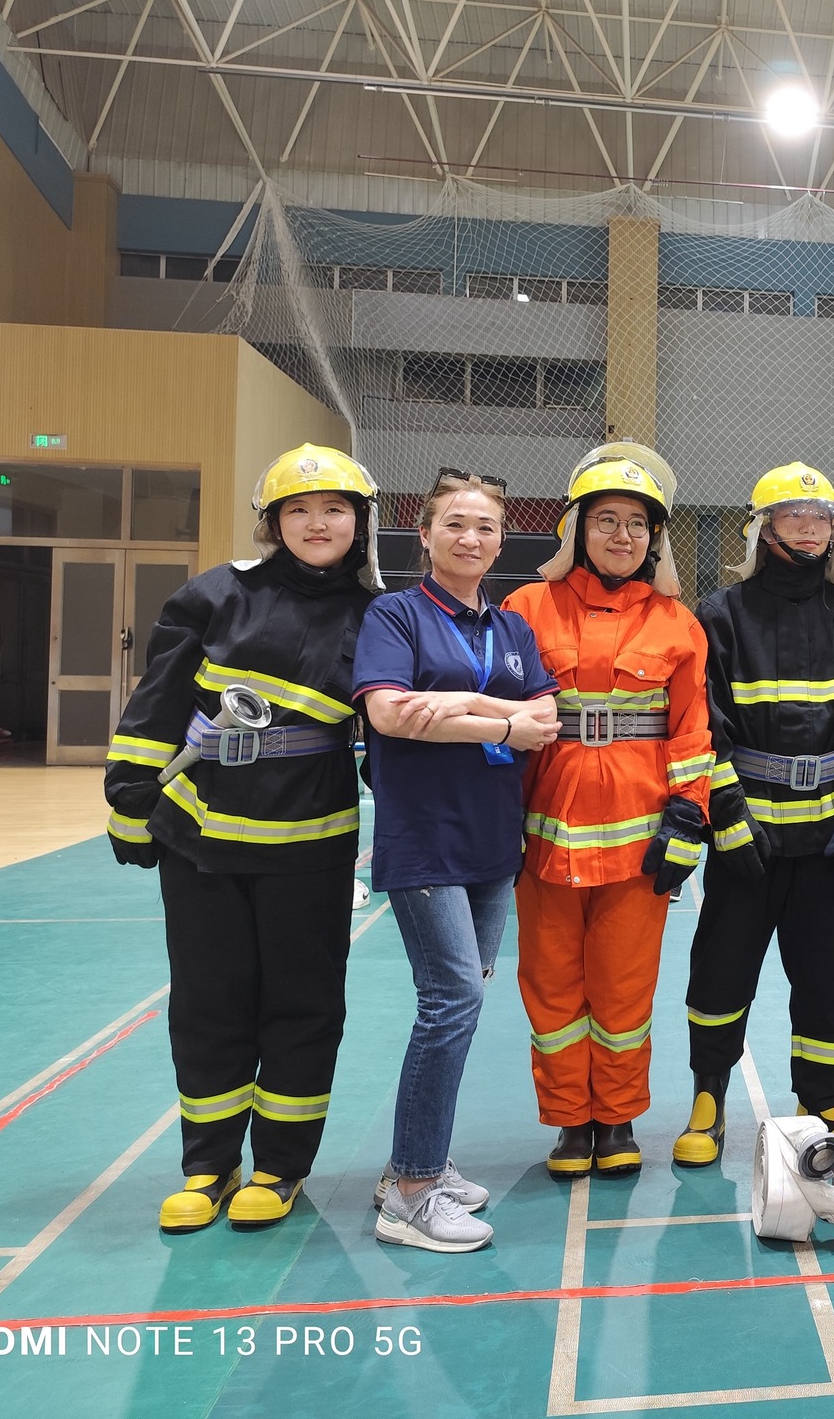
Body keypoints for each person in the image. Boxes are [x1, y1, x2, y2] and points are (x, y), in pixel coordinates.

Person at [105, 444, 380, 1234]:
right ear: (274, 522)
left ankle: (279, 1167)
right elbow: (158, 703)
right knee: (207, 1002)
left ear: (360, 523)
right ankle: (208, 1164)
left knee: (303, 1004)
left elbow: (387, 733)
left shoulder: (380, 617)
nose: (317, 523)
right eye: (299, 510)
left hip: (311, 842)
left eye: (334, 509)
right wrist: (129, 799)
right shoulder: (214, 595)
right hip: (200, 837)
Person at [354, 471, 561, 1252]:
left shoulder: (511, 629)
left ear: (501, 542)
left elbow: (547, 715)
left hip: (492, 840)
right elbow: (390, 714)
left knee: (460, 1000)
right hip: (424, 836)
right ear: (425, 535)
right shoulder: (396, 615)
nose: (470, 538)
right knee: (450, 1002)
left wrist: (460, 707)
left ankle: (416, 1164)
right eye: (454, 524)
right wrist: (500, 723)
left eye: (485, 527)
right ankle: (412, 1193)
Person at [673, 465, 834, 1166]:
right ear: (763, 527)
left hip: (828, 842)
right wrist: (728, 818)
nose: (807, 527)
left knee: (828, 981)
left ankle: (822, 1104)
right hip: (746, 838)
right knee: (721, 971)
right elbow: (703, 725)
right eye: (791, 515)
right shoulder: (721, 614)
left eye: (820, 516)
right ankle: (707, 1098)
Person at [504, 444, 712, 1181]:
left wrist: (687, 819)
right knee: (551, 984)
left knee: (624, 987)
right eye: (605, 521)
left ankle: (617, 1116)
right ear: (576, 529)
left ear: (654, 538)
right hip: (544, 841)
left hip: (637, 843)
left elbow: (691, 731)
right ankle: (570, 1121)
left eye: (636, 524)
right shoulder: (525, 609)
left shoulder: (677, 623)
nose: (622, 536)